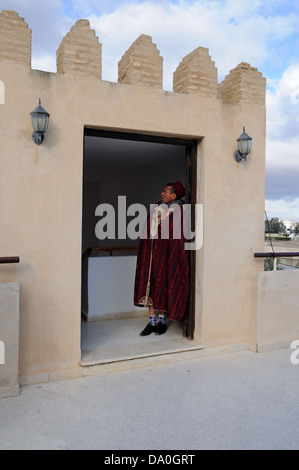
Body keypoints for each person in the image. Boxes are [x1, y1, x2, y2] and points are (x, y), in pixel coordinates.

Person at [134, 181, 190, 336]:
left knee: (165, 284)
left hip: (167, 254)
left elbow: (178, 234)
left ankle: (162, 321)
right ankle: (151, 322)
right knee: (150, 285)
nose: (162, 194)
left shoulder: (180, 211)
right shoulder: (157, 208)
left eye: (165, 191)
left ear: (173, 195)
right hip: (152, 254)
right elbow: (149, 228)